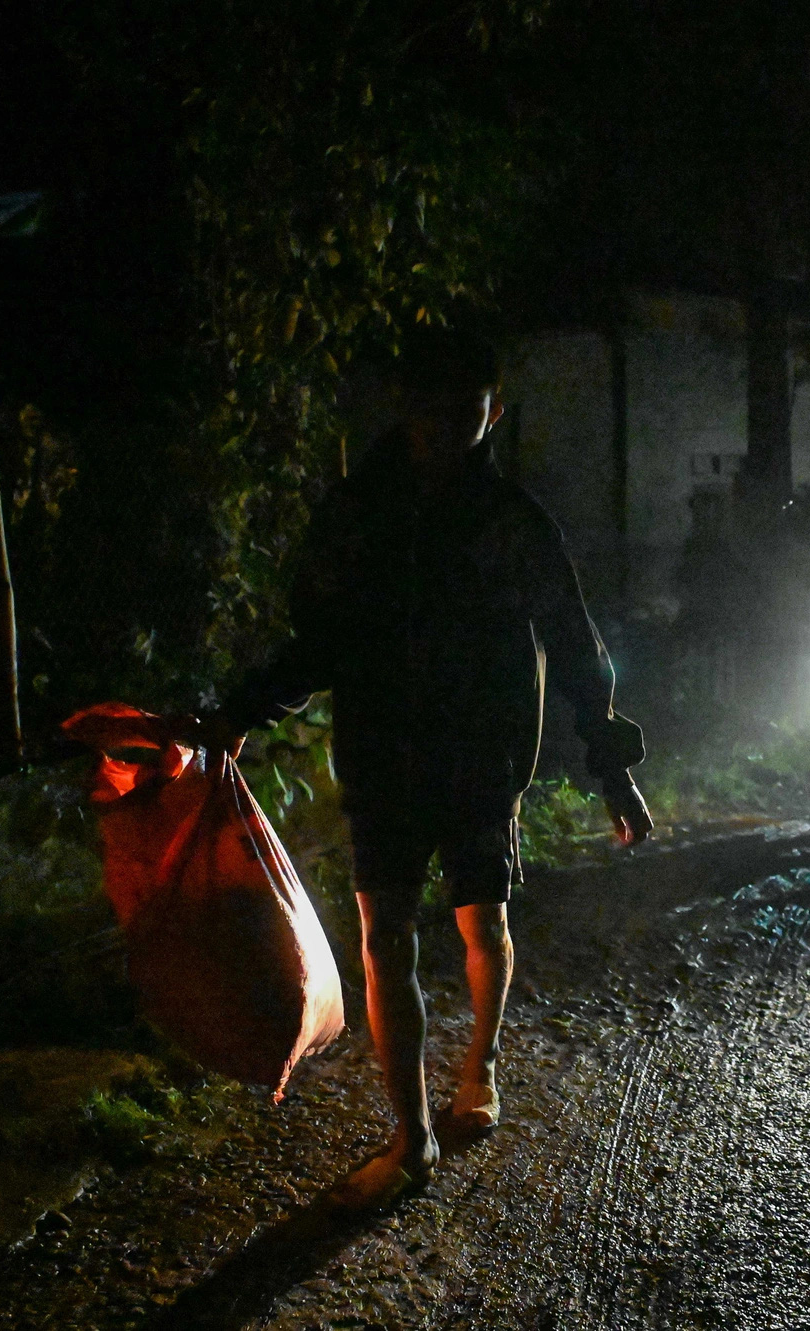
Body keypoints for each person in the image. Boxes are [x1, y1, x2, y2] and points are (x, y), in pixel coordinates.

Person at [208, 328, 653, 1209]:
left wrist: (612, 765)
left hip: (484, 759)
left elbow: (573, 641)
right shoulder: (359, 513)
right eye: (429, 406)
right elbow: (321, 638)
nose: (447, 424)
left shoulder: (512, 524)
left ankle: (478, 1069)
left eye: (467, 407)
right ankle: (412, 1138)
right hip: (383, 754)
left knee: (481, 923)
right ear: (404, 409)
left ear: (494, 409)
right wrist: (240, 712)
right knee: (385, 939)